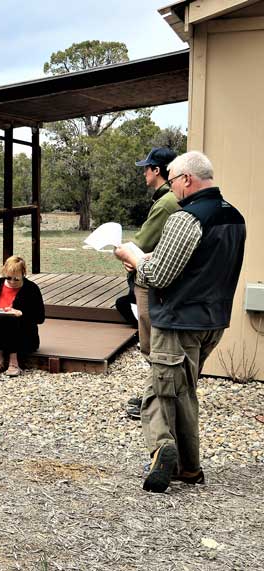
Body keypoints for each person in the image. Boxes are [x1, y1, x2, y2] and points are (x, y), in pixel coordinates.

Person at [115, 151, 245, 493]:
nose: (172, 189)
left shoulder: (186, 220)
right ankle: (189, 468)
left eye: (172, 181)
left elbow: (158, 275)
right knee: (183, 390)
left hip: (178, 321)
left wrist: (134, 258)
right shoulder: (235, 217)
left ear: (187, 179)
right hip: (213, 321)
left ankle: (162, 447)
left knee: (159, 391)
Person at [119, 147, 181, 420]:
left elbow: (142, 243)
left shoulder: (166, 202)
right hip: (157, 278)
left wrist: (124, 252)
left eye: (146, 167)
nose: (144, 172)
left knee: (151, 345)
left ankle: (156, 401)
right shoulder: (168, 199)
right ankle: (154, 396)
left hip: (151, 281)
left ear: (157, 170)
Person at [0, 256, 45, 376]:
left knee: (12, 322)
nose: (12, 282)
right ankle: (0, 360)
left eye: (16, 279)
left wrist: (21, 313)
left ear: (23, 274)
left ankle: (14, 363)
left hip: (24, 335)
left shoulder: (31, 288)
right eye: (9, 278)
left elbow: (40, 317)